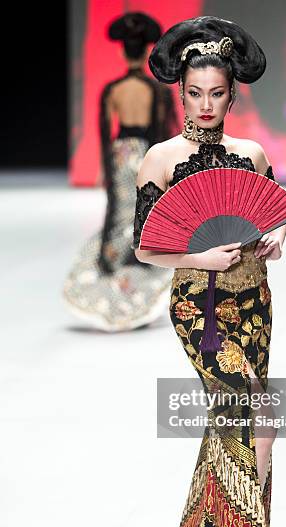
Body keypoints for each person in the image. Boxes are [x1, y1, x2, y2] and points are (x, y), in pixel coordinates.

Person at [133, 16, 286, 527]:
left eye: (216, 93)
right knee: (242, 419)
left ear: (232, 94)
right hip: (201, 307)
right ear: (181, 93)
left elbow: (271, 220)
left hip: (254, 302)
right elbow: (145, 246)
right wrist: (198, 253)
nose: (204, 104)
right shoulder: (162, 159)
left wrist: (275, 241)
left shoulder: (250, 154)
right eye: (194, 93)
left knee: (259, 430)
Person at [63, 12, 179, 331]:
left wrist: (107, 169)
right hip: (146, 155)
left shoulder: (113, 90)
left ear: (121, 51)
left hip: (119, 155)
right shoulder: (156, 92)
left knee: (118, 217)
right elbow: (162, 132)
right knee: (145, 216)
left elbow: (105, 134)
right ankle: (138, 286)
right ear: (146, 52)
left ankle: (112, 274)